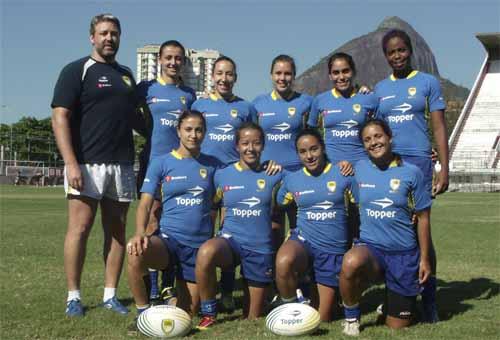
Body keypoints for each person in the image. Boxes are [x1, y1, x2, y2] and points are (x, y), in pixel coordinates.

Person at [51, 13, 143, 317]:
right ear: (92, 37)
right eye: (103, 33)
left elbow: (137, 120)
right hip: (87, 164)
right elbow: (60, 116)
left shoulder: (127, 74)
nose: (109, 38)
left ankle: (110, 295)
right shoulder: (77, 70)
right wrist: (71, 162)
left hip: (122, 165)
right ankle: (73, 297)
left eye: (114, 33)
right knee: (79, 229)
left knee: (117, 232)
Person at [374, 29, 448, 322]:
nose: (397, 56)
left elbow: (439, 126)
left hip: (419, 163)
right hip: (388, 165)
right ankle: (394, 296)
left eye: (402, 50)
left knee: (421, 233)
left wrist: (444, 166)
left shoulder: (427, 82)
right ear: (385, 56)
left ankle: (429, 301)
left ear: (410, 50)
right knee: (391, 231)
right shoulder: (379, 89)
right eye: (392, 52)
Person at [339, 119, 432, 336]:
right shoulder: (358, 169)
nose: (374, 142)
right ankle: (351, 317)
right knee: (351, 261)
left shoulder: (412, 173)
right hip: (372, 250)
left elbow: (424, 218)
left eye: (378, 136)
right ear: (363, 145)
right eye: (367, 139)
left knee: (396, 326)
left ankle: (397, 304)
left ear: (390, 137)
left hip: (403, 253)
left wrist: (425, 258)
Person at [127, 110, 220, 320]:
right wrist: (140, 232)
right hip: (168, 241)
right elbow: (144, 204)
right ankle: (143, 313)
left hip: (198, 247)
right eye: (188, 129)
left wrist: (269, 166)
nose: (193, 135)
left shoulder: (214, 165)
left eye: (199, 130)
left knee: (185, 315)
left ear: (205, 133)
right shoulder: (161, 162)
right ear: (178, 131)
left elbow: (240, 176)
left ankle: (170, 299)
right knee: (135, 251)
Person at [195, 123, 283, 329]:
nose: (250, 148)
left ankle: (267, 295)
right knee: (206, 252)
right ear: (237, 146)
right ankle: (209, 312)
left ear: (263, 146)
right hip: (231, 242)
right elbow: (212, 205)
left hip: (259, 248)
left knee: (252, 317)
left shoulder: (275, 174)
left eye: (256, 143)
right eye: (245, 143)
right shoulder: (222, 174)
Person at [191, 56, 257, 311]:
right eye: (220, 73)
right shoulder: (201, 104)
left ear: (235, 78)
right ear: (212, 76)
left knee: (229, 234)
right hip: (205, 177)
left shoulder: (245, 108)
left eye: (229, 74)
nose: (224, 79)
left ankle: (228, 291)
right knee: (203, 233)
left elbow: (254, 140)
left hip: (233, 179)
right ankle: (203, 286)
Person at [136, 40, 196, 303]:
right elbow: (127, 113)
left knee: (171, 225)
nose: (173, 62)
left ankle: (167, 285)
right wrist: (145, 132)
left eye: (178, 58)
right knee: (151, 223)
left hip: (179, 169)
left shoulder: (189, 95)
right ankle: (151, 288)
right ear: (159, 59)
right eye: (168, 57)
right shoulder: (146, 89)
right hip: (152, 164)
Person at [274, 129, 354, 321]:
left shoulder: (343, 173)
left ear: (323, 148)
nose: (309, 156)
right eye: (303, 152)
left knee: (321, 318)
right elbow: (280, 203)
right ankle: (291, 309)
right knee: (284, 260)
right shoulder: (292, 179)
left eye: (314, 149)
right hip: (303, 241)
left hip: (331, 249)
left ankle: (324, 297)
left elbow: (359, 209)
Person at [308, 52, 378, 165]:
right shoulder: (320, 100)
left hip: (363, 166)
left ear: (353, 72)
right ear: (330, 75)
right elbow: (310, 135)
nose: (341, 77)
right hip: (332, 168)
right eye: (336, 73)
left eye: (346, 71)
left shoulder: (369, 98)